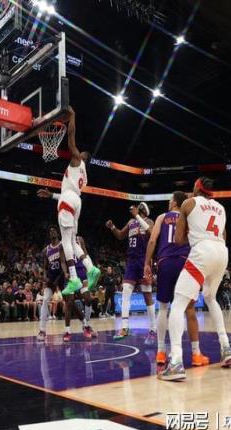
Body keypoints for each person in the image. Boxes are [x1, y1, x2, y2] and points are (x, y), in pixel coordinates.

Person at [162, 177, 231, 381]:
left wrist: (191, 232)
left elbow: (177, 240)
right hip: (221, 252)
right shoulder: (221, 208)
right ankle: (226, 347)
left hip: (203, 251)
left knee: (178, 304)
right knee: (210, 298)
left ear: (196, 187)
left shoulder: (188, 203)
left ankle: (176, 362)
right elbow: (223, 236)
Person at [37, 107, 101, 297]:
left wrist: (72, 117)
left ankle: (73, 278)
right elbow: (70, 193)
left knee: (66, 241)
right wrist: (52, 195)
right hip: (75, 202)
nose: (79, 152)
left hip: (68, 200)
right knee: (72, 241)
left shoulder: (77, 161)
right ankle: (90, 267)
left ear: (83, 157)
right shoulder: (84, 175)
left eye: (82, 153)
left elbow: (70, 138)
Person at [144, 191, 209, 367]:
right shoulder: (188, 218)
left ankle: (160, 352)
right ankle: (196, 354)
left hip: (165, 262)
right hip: (184, 262)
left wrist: (147, 263)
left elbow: (152, 241)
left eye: (170, 199)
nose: (168, 202)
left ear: (174, 203)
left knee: (163, 308)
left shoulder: (162, 217)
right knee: (189, 308)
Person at [106, 203, 156, 344]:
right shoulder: (131, 222)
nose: (136, 208)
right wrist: (112, 227)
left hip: (144, 260)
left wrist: (137, 216)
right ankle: (125, 328)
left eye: (139, 207)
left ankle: (153, 329)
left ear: (143, 210)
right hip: (132, 261)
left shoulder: (149, 221)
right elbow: (120, 235)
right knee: (126, 291)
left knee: (147, 295)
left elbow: (151, 234)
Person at [37, 226, 67, 341]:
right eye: (50, 231)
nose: (52, 232)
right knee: (45, 300)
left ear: (58, 233)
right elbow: (45, 267)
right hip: (51, 278)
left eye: (54, 231)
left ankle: (82, 325)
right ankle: (42, 330)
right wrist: (45, 277)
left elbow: (65, 262)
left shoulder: (62, 245)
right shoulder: (46, 250)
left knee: (69, 302)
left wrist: (64, 275)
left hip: (62, 277)